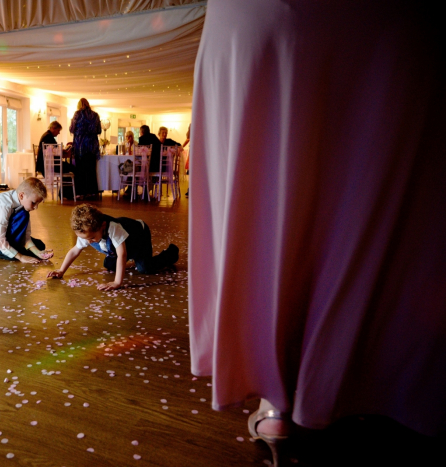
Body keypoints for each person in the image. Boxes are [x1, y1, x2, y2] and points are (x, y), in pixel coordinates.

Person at [189, 1, 446, 465]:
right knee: (370, 200)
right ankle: (371, 380)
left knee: (268, 196)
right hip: (396, 23)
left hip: (264, 17)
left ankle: (278, 403)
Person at [48, 204, 179, 291]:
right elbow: (75, 251)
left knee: (144, 268)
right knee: (109, 264)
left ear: (103, 226)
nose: (89, 242)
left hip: (139, 236)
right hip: (121, 244)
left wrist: (117, 283)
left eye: (92, 238)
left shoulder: (114, 228)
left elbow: (122, 254)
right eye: (85, 239)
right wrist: (61, 270)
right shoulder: (86, 233)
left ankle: (171, 253)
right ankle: (132, 262)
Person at [0, 177, 54, 263]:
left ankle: (11, 249)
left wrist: (37, 252)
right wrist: (21, 257)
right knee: (23, 214)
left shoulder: (22, 204)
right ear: (21, 195)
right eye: (33, 203)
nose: (36, 207)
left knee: (40, 245)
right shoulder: (3, 205)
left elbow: (25, 234)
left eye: (38, 204)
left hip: (1, 232)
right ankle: (2, 252)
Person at [69, 98, 101, 198]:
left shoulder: (77, 114)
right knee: (91, 170)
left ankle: (80, 193)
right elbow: (99, 130)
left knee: (80, 170)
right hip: (92, 146)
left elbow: (72, 129)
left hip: (80, 146)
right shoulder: (95, 115)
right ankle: (93, 192)